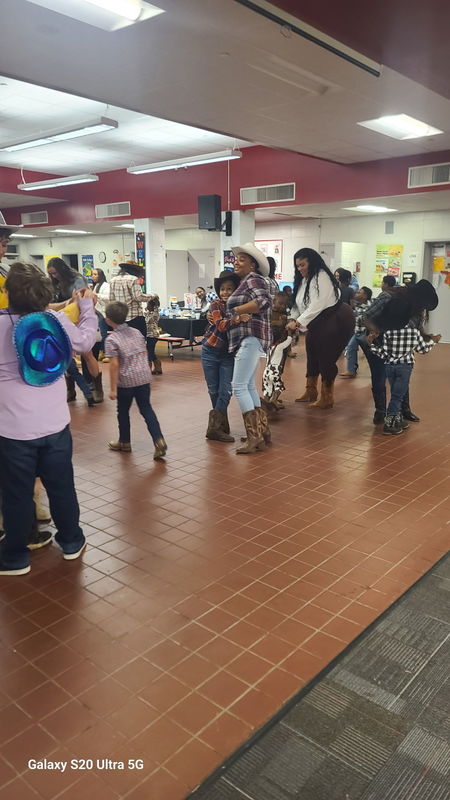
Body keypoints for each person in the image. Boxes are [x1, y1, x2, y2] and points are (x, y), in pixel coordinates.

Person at [0, 262, 97, 575]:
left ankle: (15, 558)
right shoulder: (53, 320)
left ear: (7, 293)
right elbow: (85, 341)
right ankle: (71, 541)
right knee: (61, 487)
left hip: (12, 430)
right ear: (46, 294)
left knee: (16, 495)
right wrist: (85, 306)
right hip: (55, 426)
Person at [287, 248, 355, 409]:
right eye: (297, 266)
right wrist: (293, 317)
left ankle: (327, 395)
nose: (300, 269)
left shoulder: (322, 276)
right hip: (316, 323)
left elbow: (318, 303)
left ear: (312, 262)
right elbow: (298, 303)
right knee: (312, 354)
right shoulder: (304, 279)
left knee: (326, 358)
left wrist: (298, 322)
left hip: (333, 321)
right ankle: (310, 390)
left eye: (302, 264)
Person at [104, 301, 167, 460]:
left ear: (108, 320)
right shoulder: (136, 332)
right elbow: (143, 351)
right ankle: (159, 439)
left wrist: (112, 388)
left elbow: (114, 365)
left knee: (123, 412)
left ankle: (124, 441)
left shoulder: (112, 340)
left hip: (126, 381)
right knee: (146, 409)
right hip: (144, 377)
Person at [227, 243, 273, 454]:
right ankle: (262, 431)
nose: (236, 261)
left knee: (238, 386)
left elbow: (263, 302)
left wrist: (236, 309)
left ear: (253, 265)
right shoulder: (249, 280)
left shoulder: (253, 279)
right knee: (249, 386)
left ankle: (254, 437)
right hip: (253, 338)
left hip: (250, 337)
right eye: (236, 259)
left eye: (242, 259)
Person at [47, 257, 103, 403]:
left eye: (55, 273)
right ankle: (70, 390)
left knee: (87, 354)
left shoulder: (77, 279)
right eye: (51, 274)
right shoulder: (54, 283)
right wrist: (68, 303)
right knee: (65, 356)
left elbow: (83, 301)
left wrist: (70, 304)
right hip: (63, 319)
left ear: (62, 270)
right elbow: (49, 305)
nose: (54, 276)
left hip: (80, 320)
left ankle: (98, 389)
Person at [368, 323, 440, 435]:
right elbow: (423, 350)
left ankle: (398, 420)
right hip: (405, 367)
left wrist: (371, 345)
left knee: (396, 393)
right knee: (397, 396)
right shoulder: (414, 332)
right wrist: (433, 341)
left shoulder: (388, 331)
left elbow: (384, 354)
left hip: (390, 367)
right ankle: (390, 425)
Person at [201, 270, 241, 442]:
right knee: (213, 390)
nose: (225, 292)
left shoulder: (240, 304)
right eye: (223, 289)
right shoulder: (215, 305)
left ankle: (215, 427)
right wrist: (238, 319)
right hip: (210, 351)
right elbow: (221, 325)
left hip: (228, 354)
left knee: (225, 390)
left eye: (229, 288)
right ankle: (220, 425)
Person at [109, 262, 155, 338]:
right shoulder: (133, 279)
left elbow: (111, 300)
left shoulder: (113, 280)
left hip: (120, 317)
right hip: (134, 317)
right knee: (138, 341)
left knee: (123, 341)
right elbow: (138, 297)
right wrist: (152, 296)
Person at [339, 286, 372, 378]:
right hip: (357, 332)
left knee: (369, 353)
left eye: (359, 292)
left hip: (366, 333)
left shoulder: (369, 307)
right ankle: (351, 370)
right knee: (350, 348)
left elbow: (364, 320)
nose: (356, 294)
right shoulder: (357, 305)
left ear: (365, 296)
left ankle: (377, 370)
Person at [261, 322, 292, 414]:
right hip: (275, 371)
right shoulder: (280, 347)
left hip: (266, 371)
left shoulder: (268, 347)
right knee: (279, 387)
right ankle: (274, 401)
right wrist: (289, 332)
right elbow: (289, 340)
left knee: (268, 388)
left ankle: (266, 404)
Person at [92, 267, 110, 361]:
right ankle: (101, 351)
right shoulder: (96, 285)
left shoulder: (106, 285)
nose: (93, 276)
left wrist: (96, 295)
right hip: (97, 312)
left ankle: (107, 353)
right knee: (99, 333)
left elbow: (108, 297)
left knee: (103, 333)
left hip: (103, 312)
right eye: (92, 274)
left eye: (95, 274)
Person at [145, 295, 162, 375]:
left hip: (153, 335)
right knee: (150, 351)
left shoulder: (155, 313)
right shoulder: (148, 312)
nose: (146, 306)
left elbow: (148, 321)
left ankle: (148, 368)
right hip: (148, 335)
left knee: (149, 352)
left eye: (148, 305)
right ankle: (158, 367)